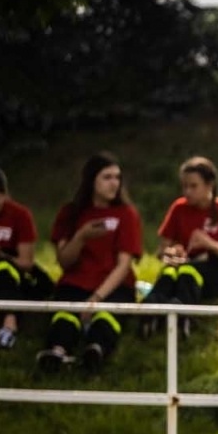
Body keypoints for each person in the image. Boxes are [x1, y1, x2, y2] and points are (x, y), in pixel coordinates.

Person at [41, 152, 142, 372]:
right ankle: (57, 354)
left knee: (106, 317)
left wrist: (96, 299)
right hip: (75, 282)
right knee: (65, 317)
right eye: (107, 177)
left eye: (117, 177)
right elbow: (64, 262)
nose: (114, 183)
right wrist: (80, 237)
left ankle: (95, 353)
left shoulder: (126, 214)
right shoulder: (70, 213)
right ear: (91, 181)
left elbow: (124, 264)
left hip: (114, 286)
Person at [142, 156, 218, 335]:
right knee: (169, 272)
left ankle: (183, 318)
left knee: (188, 272)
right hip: (183, 266)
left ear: (209, 185)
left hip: (214, 271)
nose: (187, 192)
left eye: (193, 186)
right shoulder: (178, 208)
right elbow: (161, 252)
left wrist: (210, 244)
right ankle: (150, 312)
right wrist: (172, 253)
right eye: (184, 186)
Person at [0, 167, 54, 350]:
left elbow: (26, 263)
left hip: (13, 274)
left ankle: (9, 325)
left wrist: (3, 256)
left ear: (5, 195)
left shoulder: (19, 215)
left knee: (2, 269)